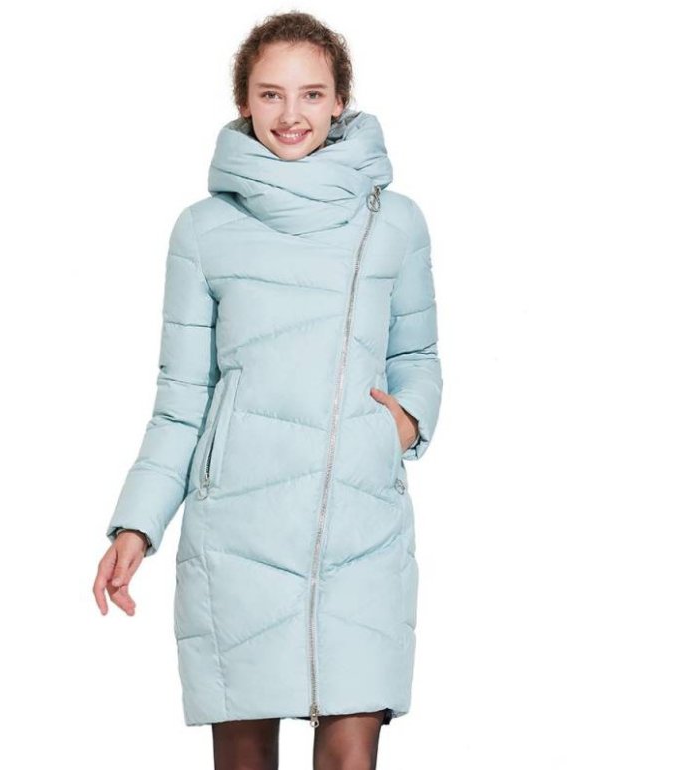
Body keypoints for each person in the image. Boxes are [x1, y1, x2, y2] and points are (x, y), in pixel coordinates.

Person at [93, 11, 443, 770]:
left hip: (361, 531)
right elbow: (182, 397)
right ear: (243, 101)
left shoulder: (395, 222)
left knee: (351, 753)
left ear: (340, 101)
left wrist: (404, 424)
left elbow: (416, 352)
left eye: (311, 94)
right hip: (238, 535)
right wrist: (136, 526)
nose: (291, 114)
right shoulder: (203, 230)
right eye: (271, 94)